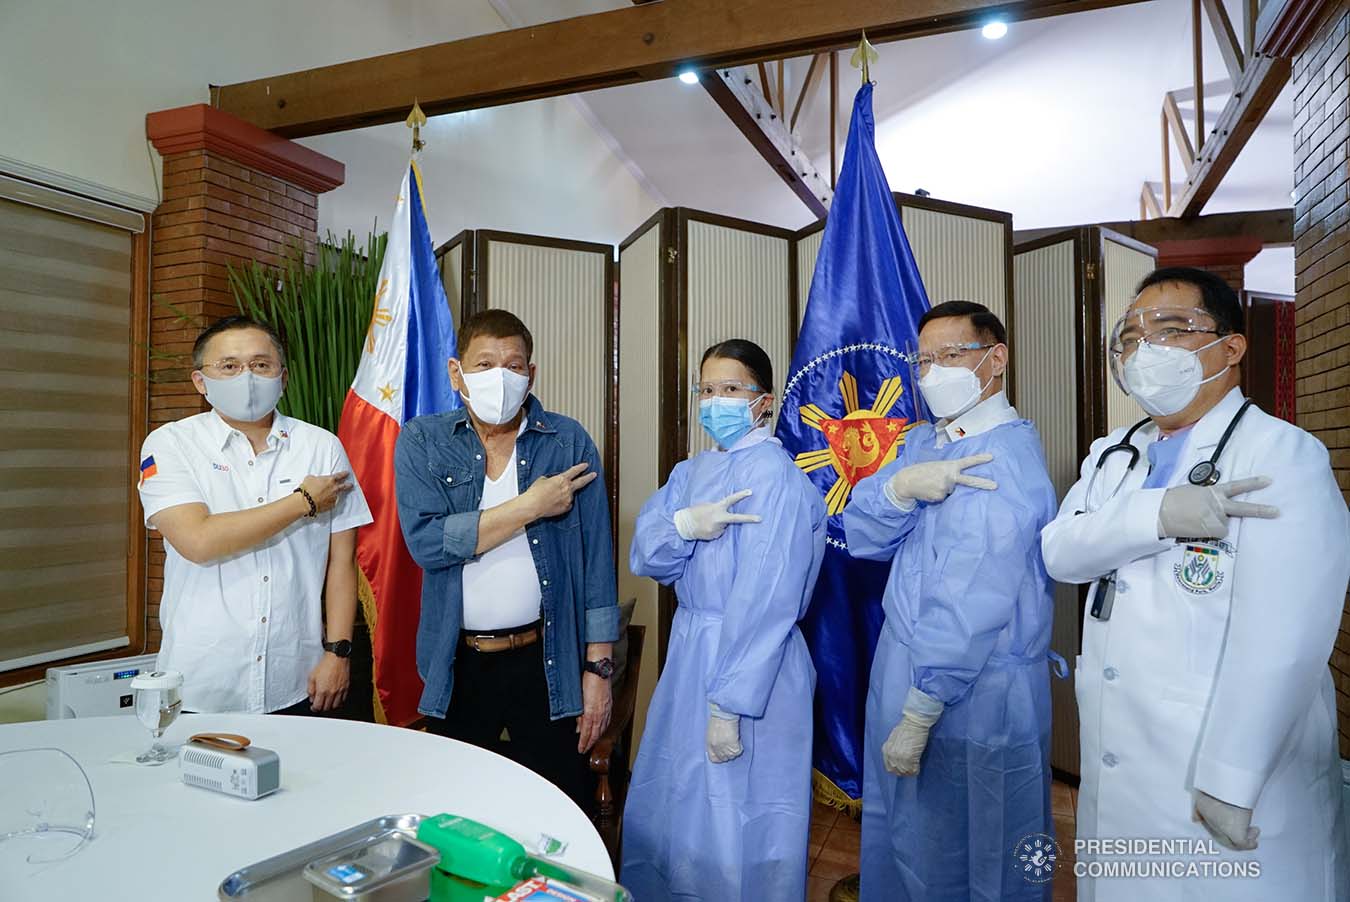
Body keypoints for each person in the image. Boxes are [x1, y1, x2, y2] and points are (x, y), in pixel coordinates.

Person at [1041, 267, 1350, 901]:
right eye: (1131, 337)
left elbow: (1284, 640)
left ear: (1231, 348)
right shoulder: (1112, 454)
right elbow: (1060, 552)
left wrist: (1232, 778)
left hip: (1224, 769)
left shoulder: (1280, 455)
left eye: (1172, 329)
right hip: (1122, 760)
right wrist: (1155, 514)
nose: (1145, 351)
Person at [843, 301, 1059, 901]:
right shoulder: (926, 444)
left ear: (996, 358)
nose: (933, 372)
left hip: (976, 689)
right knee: (908, 838)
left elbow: (974, 601)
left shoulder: (1003, 459)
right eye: (924, 360)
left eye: (951, 356)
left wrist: (920, 708)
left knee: (981, 853)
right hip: (906, 665)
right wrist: (895, 488)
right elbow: (862, 536)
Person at [620, 338, 826, 901]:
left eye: (731, 389)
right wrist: (685, 524)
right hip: (692, 652)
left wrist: (729, 703)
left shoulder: (778, 479)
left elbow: (767, 599)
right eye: (707, 389)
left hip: (756, 667)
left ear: (764, 401)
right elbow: (648, 555)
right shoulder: (691, 472)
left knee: (743, 812)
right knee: (679, 797)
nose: (716, 401)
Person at [393, 309, 618, 807]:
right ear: (457, 373)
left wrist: (599, 672)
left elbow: (597, 561)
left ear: (531, 375)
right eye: (485, 364)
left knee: (558, 805)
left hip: (547, 660)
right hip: (459, 662)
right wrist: (530, 506)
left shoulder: (567, 441)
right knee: (456, 808)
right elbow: (427, 544)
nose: (501, 377)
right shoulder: (422, 440)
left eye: (514, 366)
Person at [136, 315, 371, 715]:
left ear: (282, 378)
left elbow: (341, 562)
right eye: (229, 366)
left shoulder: (320, 446)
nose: (246, 376)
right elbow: (199, 541)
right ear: (200, 381)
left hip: (297, 676)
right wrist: (302, 501)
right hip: (202, 681)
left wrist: (338, 653)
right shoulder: (170, 444)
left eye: (261, 365)